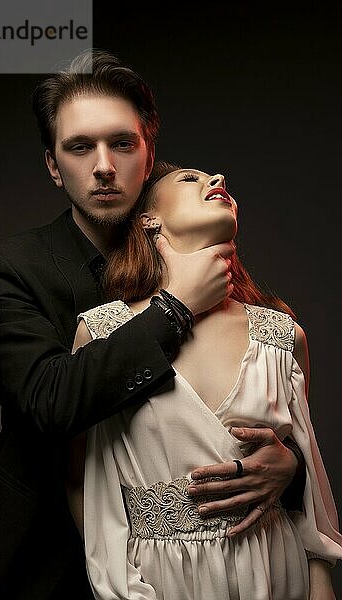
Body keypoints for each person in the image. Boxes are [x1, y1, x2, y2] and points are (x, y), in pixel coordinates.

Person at [0, 50, 305, 600]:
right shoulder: (9, 266)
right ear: (51, 165)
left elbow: (254, 400)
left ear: (149, 153)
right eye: (80, 147)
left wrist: (289, 465)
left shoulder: (198, 240)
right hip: (43, 558)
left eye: (123, 143)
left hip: (193, 569)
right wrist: (173, 309)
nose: (104, 166)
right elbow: (49, 400)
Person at [66, 160, 342, 599]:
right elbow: (85, 483)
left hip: (275, 570)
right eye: (190, 179)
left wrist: (322, 585)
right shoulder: (103, 334)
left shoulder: (283, 336)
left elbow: (312, 488)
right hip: (161, 582)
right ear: (148, 219)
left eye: (214, 178)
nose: (217, 180)